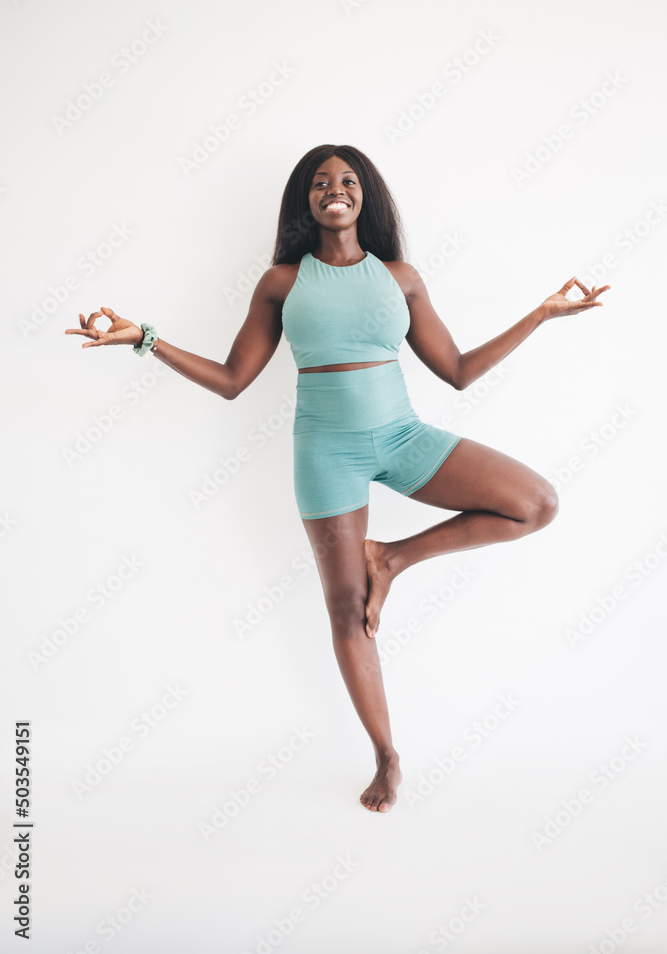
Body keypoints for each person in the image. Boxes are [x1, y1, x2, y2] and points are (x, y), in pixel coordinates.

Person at [65, 144, 610, 815]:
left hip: (404, 438)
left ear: (364, 197)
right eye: (320, 182)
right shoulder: (281, 282)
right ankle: (386, 755)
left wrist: (540, 314)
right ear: (306, 201)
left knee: (535, 502)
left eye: (347, 180)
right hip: (326, 452)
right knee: (348, 612)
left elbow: (459, 370)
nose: (335, 189)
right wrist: (144, 339)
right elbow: (235, 382)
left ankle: (393, 557)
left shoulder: (400, 277)